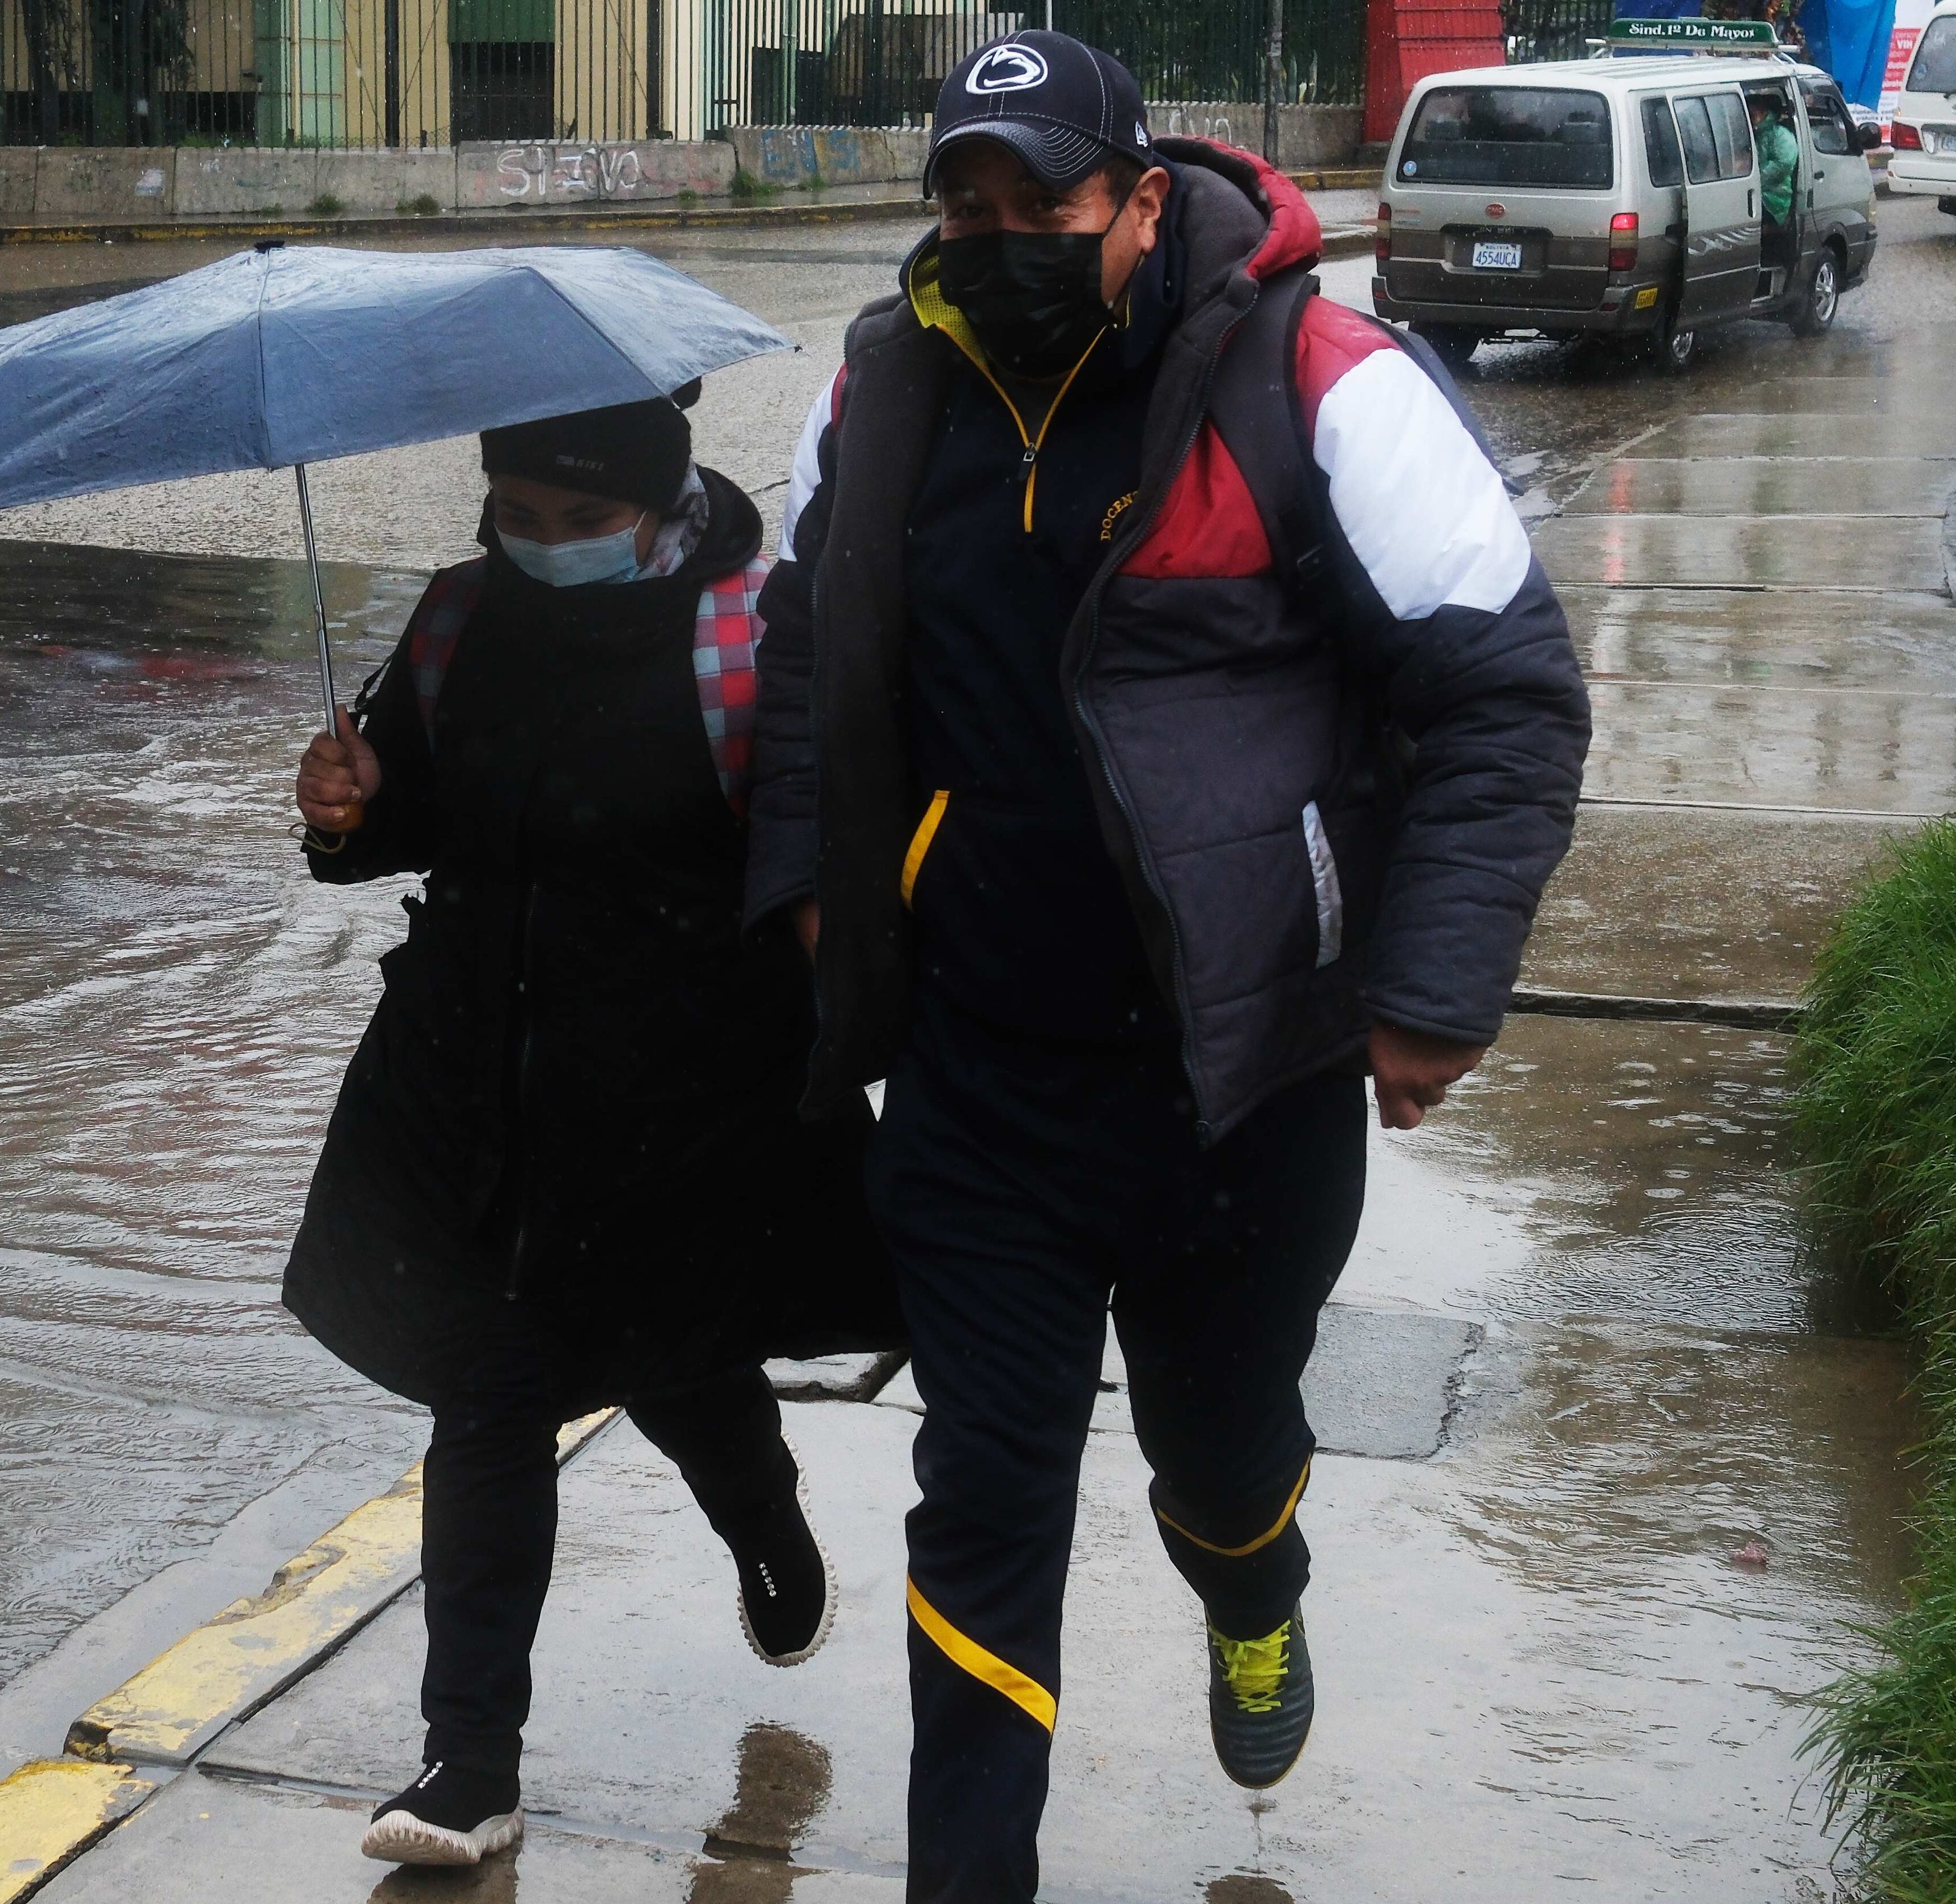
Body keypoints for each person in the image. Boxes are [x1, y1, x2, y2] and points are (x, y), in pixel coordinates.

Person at [746, 31, 1589, 1901]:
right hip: (979, 1080)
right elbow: (805, 644)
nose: (995, 237)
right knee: (982, 1504)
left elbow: (1503, 692)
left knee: (1219, 1448)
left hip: (1244, 1088)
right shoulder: (888, 388)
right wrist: (809, 878)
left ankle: (1256, 1581)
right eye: (961, 204)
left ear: (1141, 200)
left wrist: (1435, 980)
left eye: (1037, 202)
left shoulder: (1315, 378)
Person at [288, 389, 897, 1869]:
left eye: (579, 521)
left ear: (658, 502)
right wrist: (347, 809)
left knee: (679, 1364)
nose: (542, 544)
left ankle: (763, 1509)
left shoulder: (754, 634)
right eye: (517, 515)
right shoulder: (450, 623)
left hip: (689, 1110)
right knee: (488, 1396)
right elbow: (396, 822)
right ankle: (469, 1758)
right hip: (485, 1093)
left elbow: (826, 854)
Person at [1752, 89, 1800, 231]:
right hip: (1755, 195)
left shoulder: (1781, 136)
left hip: (1775, 200)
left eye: (1753, 112)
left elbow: (1783, 165)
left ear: (1763, 111)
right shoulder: (1752, 133)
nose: (1751, 116)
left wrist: (1755, 180)